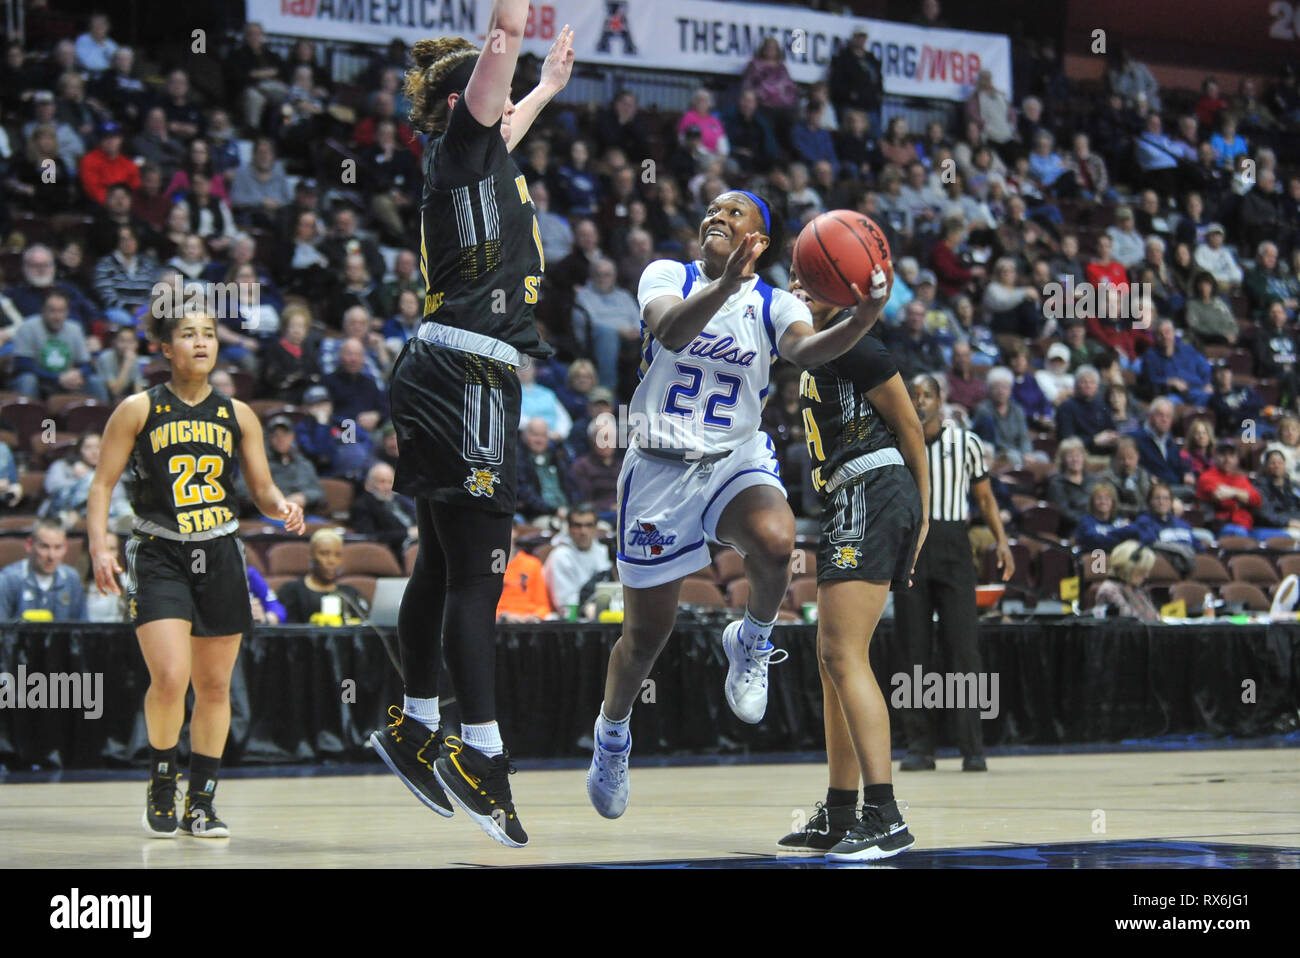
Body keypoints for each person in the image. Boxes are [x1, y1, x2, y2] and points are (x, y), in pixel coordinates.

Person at [586, 186, 892, 823]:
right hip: (659, 469)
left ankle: (752, 640)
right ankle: (613, 734)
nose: (716, 217)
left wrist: (860, 318)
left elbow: (807, 352)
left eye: (735, 212)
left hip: (733, 456)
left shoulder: (775, 302)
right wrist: (723, 284)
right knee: (644, 641)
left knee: (780, 542)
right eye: (712, 209)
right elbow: (670, 330)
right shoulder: (667, 274)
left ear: (762, 239)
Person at [371, 8, 575, 850]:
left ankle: (417, 721)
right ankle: (480, 751)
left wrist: (551, 87)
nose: (507, 105)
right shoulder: (461, 141)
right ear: (467, 102)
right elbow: (500, 43)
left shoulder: (477, 155)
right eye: (498, 94)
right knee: (477, 575)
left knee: (442, 560)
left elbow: (512, 107)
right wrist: (513, 28)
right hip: (467, 376)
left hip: (444, 367)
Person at [87, 308, 304, 840]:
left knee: (214, 686)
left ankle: (201, 803)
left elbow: (261, 488)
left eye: (209, 334)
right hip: (160, 553)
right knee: (169, 677)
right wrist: (99, 546)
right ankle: (163, 782)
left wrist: (283, 506)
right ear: (166, 348)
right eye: (189, 335)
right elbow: (102, 485)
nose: (202, 343)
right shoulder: (137, 409)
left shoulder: (239, 414)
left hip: (222, 551)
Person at [775, 272, 927, 861]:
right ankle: (840, 812)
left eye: (810, 279)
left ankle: (885, 815)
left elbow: (911, 426)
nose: (797, 286)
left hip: (874, 484)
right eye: (793, 278)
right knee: (828, 656)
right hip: (847, 493)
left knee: (844, 654)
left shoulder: (854, 338)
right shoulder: (805, 347)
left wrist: (926, 510)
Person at [0, 517, 87, 620]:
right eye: (44, 547)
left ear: (66, 547)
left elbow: (81, 627)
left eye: (58, 547)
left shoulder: (72, 579)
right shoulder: (8, 580)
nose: (51, 556)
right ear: (29, 545)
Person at [278, 529, 369, 623]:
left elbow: (366, 627)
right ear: (311, 555)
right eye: (325, 553)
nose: (331, 561)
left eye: (338, 555)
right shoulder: (292, 591)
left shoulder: (350, 593)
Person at [542, 503, 612, 616]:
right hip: (572, 622)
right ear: (569, 528)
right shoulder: (560, 556)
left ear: (596, 528)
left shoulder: (604, 552)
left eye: (589, 525)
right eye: (577, 526)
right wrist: (587, 610)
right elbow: (566, 607)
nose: (583, 531)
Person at [350, 461, 418, 556]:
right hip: (394, 551)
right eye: (382, 482)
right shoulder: (362, 506)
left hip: (418, 542)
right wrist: (407, 533)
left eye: (390, 482)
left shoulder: (400, 499)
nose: (387, 487)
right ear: (368, 485)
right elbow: (370, 537)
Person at [1196, 442, 1263, 536]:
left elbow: (1257, 500)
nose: (1227, 460)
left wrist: (1233, 493)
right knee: (1239, 534)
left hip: (1246, 525)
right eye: (1223, 455)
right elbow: (1223, 500)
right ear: (1215, 457)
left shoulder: (1240, 477)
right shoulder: (1207, 477)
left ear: (1237, 459)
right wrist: (1242, 496)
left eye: (1231, 456)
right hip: (1220, 525)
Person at [1093, 541, 1161, 622]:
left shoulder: (1136, 589)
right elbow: (1130, 623)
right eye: (1143, 570)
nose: (1147, 576)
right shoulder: (1109, 590)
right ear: (1128, 568)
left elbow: (1155, 618)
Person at [1096, 436, 1153, 519]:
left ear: (1137, 456)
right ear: (1115, 459)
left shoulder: (1142, 474)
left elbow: (1147, 498)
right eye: (1122, 459)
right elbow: (1114, 505)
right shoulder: (1107, 478)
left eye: (1130, 458)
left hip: (1146, 517)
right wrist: (1140, 511)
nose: (1126, 462)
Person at [1045, 438, 1094, 536]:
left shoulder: (1093, 479)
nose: (1075, 460)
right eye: (1070, 456)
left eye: (1078, 455)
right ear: (1063, 460)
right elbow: (1064, 513)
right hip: (1074, 529)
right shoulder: (1056, 484)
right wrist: (1090, 522)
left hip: (1097, 523)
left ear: (1084, 457)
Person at [1074, 482, 1140, 552]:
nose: (1103, 501)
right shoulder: (1086, 521)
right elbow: (1095, 541)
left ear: (1113, 502)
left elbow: (1135, 534)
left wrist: (1107, 534)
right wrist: (1122, 531)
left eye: (1107, 498)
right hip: (1094, 559)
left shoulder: (1120, 520)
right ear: (1092, 502)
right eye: (1099, 498)